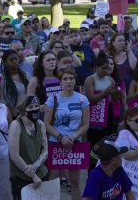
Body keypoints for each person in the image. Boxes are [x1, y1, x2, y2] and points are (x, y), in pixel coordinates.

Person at [44, 69, 90, 200]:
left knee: (75, 182)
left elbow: (86, 124)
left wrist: (73, 137)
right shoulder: (53, 99)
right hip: (56, 142)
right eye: (65, 79)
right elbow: (46, 124)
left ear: (75, 80)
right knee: (53, 181)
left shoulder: (82, 99)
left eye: (71, 78)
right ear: (60, 81)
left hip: (75, 143)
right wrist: (61, 137)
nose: (69, 81)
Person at [9, 95, 49, 199]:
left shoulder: (40, 124)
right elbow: (14, 156)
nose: (34, 109)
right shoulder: (16, 125)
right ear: (23, 110)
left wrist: (35, 166)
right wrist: (33, 175)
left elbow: (45, 150)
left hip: (42, 174)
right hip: (22, 178)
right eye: (30, 107)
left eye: (36, 106)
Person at [84, 52, 120, 168]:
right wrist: (105, 93)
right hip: (95, 116)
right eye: (103, 68)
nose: (106, 71)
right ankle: (92, 171)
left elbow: (114, 100)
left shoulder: (110, 80)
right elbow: (91, 99)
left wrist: (116, 93)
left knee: (107, 144)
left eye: (108, 68)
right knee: (94, 147)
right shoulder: (90, 79)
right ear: (96, 68)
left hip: (108, 114)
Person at [0, 49, 31, 118]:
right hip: (13, 115)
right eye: (11, 60)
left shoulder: (26, 75)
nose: (14, 61)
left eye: (16, 59)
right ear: (5, 63)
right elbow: (1, 99)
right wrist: (12, 112)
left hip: (28, 112)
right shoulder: (2, 78)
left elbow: (32, 92)